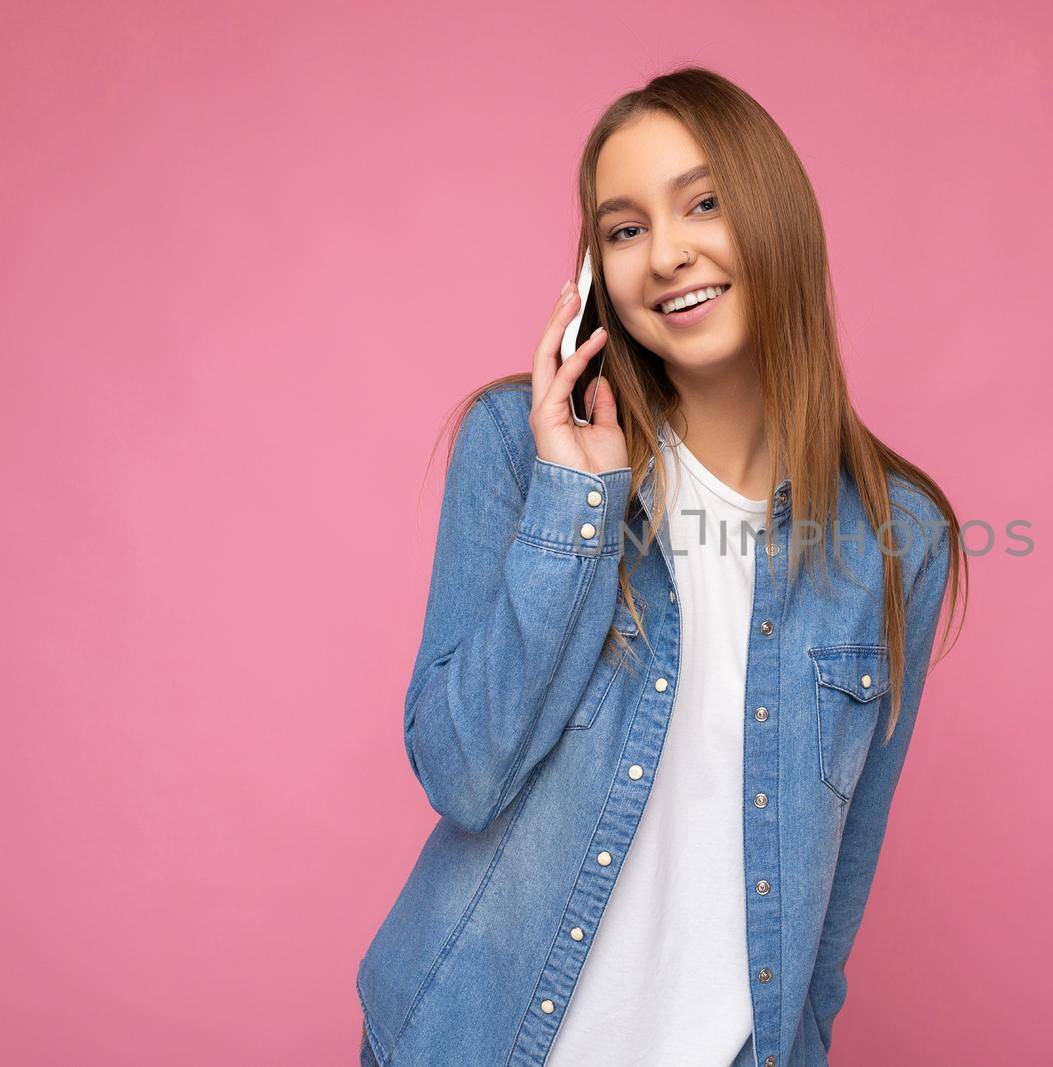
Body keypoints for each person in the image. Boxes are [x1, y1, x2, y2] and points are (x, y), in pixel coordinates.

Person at [355, 65, 966, 1067]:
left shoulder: (902, 537)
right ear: (596, 270)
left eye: (704, 203)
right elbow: (461, 775)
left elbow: (842, 873)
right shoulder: (517, 443)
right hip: (468, 1038)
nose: (666, 253)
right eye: (624, 228)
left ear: (777, 219)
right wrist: (574, 506)